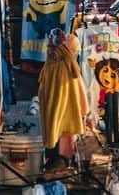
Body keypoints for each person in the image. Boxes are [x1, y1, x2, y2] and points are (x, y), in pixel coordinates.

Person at [37, 29, 88, 174]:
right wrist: (84, 108)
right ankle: (61, 160)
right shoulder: (68, 64)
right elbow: (78, 87)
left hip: (53, 104)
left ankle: (56, 160)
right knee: (64, 133)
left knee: (54, 128)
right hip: (66, 107)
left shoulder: (53, 59)